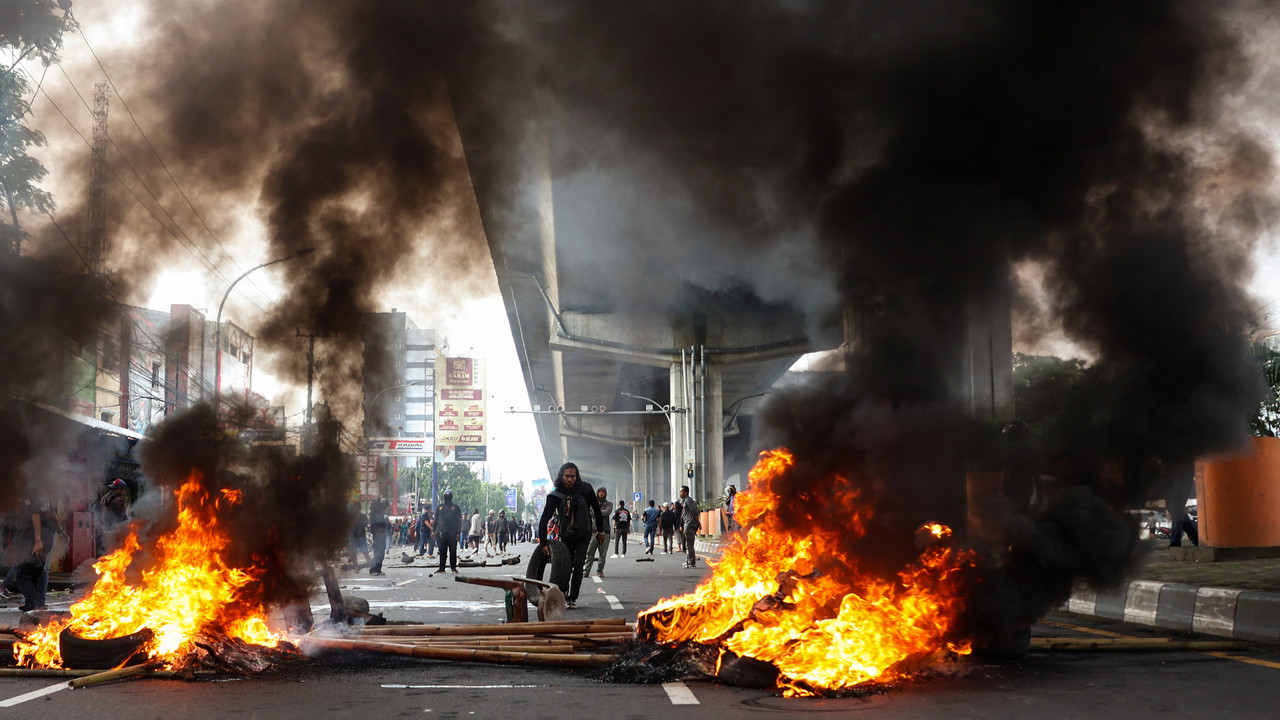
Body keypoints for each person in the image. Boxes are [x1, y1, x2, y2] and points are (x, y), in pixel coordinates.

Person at [537, 462, 606, 610]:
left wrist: (600, 532)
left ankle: (572, 597)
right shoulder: (555, 495)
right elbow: (544, 519)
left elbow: (597, 511)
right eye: (567, 476)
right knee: (565, 566)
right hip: (566, 536)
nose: (570, 479)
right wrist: (543, 543)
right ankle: (563, 592)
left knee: (579, 563)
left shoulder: (586, 489)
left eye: (573, 476)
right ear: (561, 477)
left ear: (577, 476)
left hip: (584, 534)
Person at [14, 493, 56, 612]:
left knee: (22, 577)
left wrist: (38, 540)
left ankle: (38, 605)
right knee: (33, 575)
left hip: (36, 540)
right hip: (46, 538)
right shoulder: (46, 493)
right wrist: (61, 531)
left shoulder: (31, 490)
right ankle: (31, 607)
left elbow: (35, 514)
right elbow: (53, 515)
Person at [583, 486, 613, 578]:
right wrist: (599, 512)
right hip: (593, 531)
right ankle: (586, 571)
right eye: (599, 491)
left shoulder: (609, 504)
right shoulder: (592, 504)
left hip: (605, 531)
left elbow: (607, 512)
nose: (601, 493)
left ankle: (600, 571)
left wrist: (596, 511)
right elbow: (591, 513)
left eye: (603, 491)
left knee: (602, 554)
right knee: (589, 553)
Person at [434, 491, 463, 573]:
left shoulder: (456, 507)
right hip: (441, 533)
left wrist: (458, 532)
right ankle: (441, 568)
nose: (447, 498)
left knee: (453, 551)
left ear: (451, 497)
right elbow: (436, 520)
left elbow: (459, 521)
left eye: (448, 496)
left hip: (452, 533)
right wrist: (434, 531)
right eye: (446, 496)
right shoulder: (440, 507)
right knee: (442, 551)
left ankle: (453, 568)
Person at [680, 485, 701, 568]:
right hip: (687, 524)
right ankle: (689, 561)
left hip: (689, 524)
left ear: (686, 492)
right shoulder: (685, 501)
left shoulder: (688, 500)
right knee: (688, 544)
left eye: (681, 491)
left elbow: (694, 512)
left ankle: (691, 562)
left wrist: (698, 522)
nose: (680, 493)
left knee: (689, 545)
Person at [368, 498, 390, 576]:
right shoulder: (376, 516)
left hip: (381, 536)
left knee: (381, 553)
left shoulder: (380, 515)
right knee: (378, 554)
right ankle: (373, 569)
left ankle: (378, 569)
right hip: (378, 537)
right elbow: (375, 527)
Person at [349, 502, 372, 569]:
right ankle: (356, 567)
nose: (356, 509)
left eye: (357, 507)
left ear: (359, 508)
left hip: (361, 536)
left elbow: (367, 525)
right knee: (354, 553)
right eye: (354, 507)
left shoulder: (363, 516)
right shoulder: (350, 517)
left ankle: (371, 565)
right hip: (353, 537)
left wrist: (369, 528)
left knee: (365, 552)